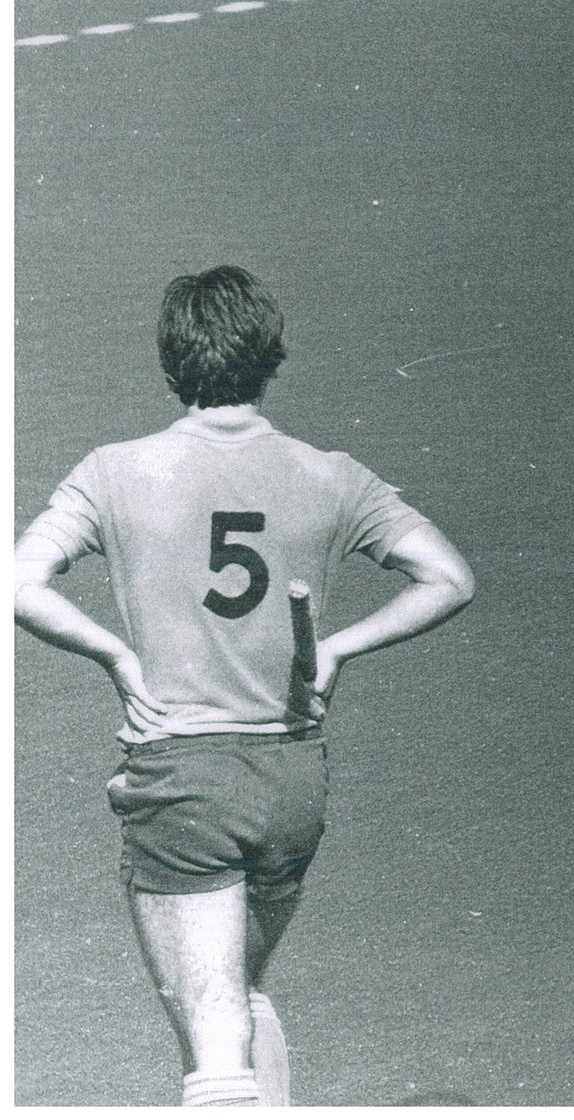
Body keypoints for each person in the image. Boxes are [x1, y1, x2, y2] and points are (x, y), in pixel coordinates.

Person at [15, 267, 475, 1107]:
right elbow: (447, 577)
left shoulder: (116, 471)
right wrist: (336, 648)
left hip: (183, 782)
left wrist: (116, 657)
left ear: (170, 361)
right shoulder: (334, 475)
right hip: (293, 782)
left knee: (210, 1031)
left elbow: (24, 585)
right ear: (270, 358)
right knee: (236, 996)